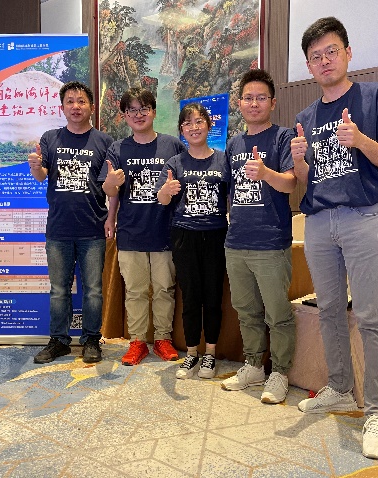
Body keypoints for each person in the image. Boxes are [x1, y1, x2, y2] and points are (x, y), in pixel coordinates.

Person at [290, 17, 378, 459]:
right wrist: (299, 162)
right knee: (328, 311)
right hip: (319, 221)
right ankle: (340, 387)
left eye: (331, 51)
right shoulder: (305, 117)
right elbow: (308, 181)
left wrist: (359, 140)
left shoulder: (376, 96)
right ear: (309, 66)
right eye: (315, 56)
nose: (324, 61)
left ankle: (377, 411)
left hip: (364, 216)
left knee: (372, 315)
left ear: (347, 53)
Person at [220, 69, 297, 404]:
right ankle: (253, 366)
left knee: (277, 313)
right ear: (239, 103)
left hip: (270, 241)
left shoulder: (282, 137)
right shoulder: (234, 144)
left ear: (272, 103)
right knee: (245, 310)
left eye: (261, 98)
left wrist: (266, 173)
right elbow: (228, 190)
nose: (254, 103)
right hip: (236, 240)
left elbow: (291, 183)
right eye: (248, 98)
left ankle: (279, 372)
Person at [28, 81, 113, 365]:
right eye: (70, 101)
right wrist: (35, 167)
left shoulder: (104, 142)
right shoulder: (50, 138)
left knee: (93, 290)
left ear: (92, 107)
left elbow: (109, 186)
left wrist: (111, 218)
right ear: (62, 107)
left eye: (81, 101)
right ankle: (58, 341)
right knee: (59, 290)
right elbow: (42, 175)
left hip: (92, 227)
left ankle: (91, 340)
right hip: (58, 229)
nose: (76, 106)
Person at [100, 87, 184, 366]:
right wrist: (111, 206)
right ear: (125, 115)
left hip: (165, 229)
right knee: (135, 290)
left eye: (143, 109)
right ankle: (137, 341)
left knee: (164, 288)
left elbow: (183, 183)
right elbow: (110, 191)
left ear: (154, 112)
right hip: (130, 230)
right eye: (132, 110)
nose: (138, 114)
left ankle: (162, 339)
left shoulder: (172, 145)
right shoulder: (118, 148)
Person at [156, 103, 229, 380]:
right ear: (181, 130)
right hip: (184, 234)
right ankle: (191, 353)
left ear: (209, 126)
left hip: (216, 234)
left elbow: (232, 197)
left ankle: (210, 353)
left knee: (212, 296)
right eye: (188, 123)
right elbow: (162, 200)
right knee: (190, 296)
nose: (194, 127)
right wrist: (166, 190)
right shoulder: (175, 163)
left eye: (199, 121)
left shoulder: (223, 160)